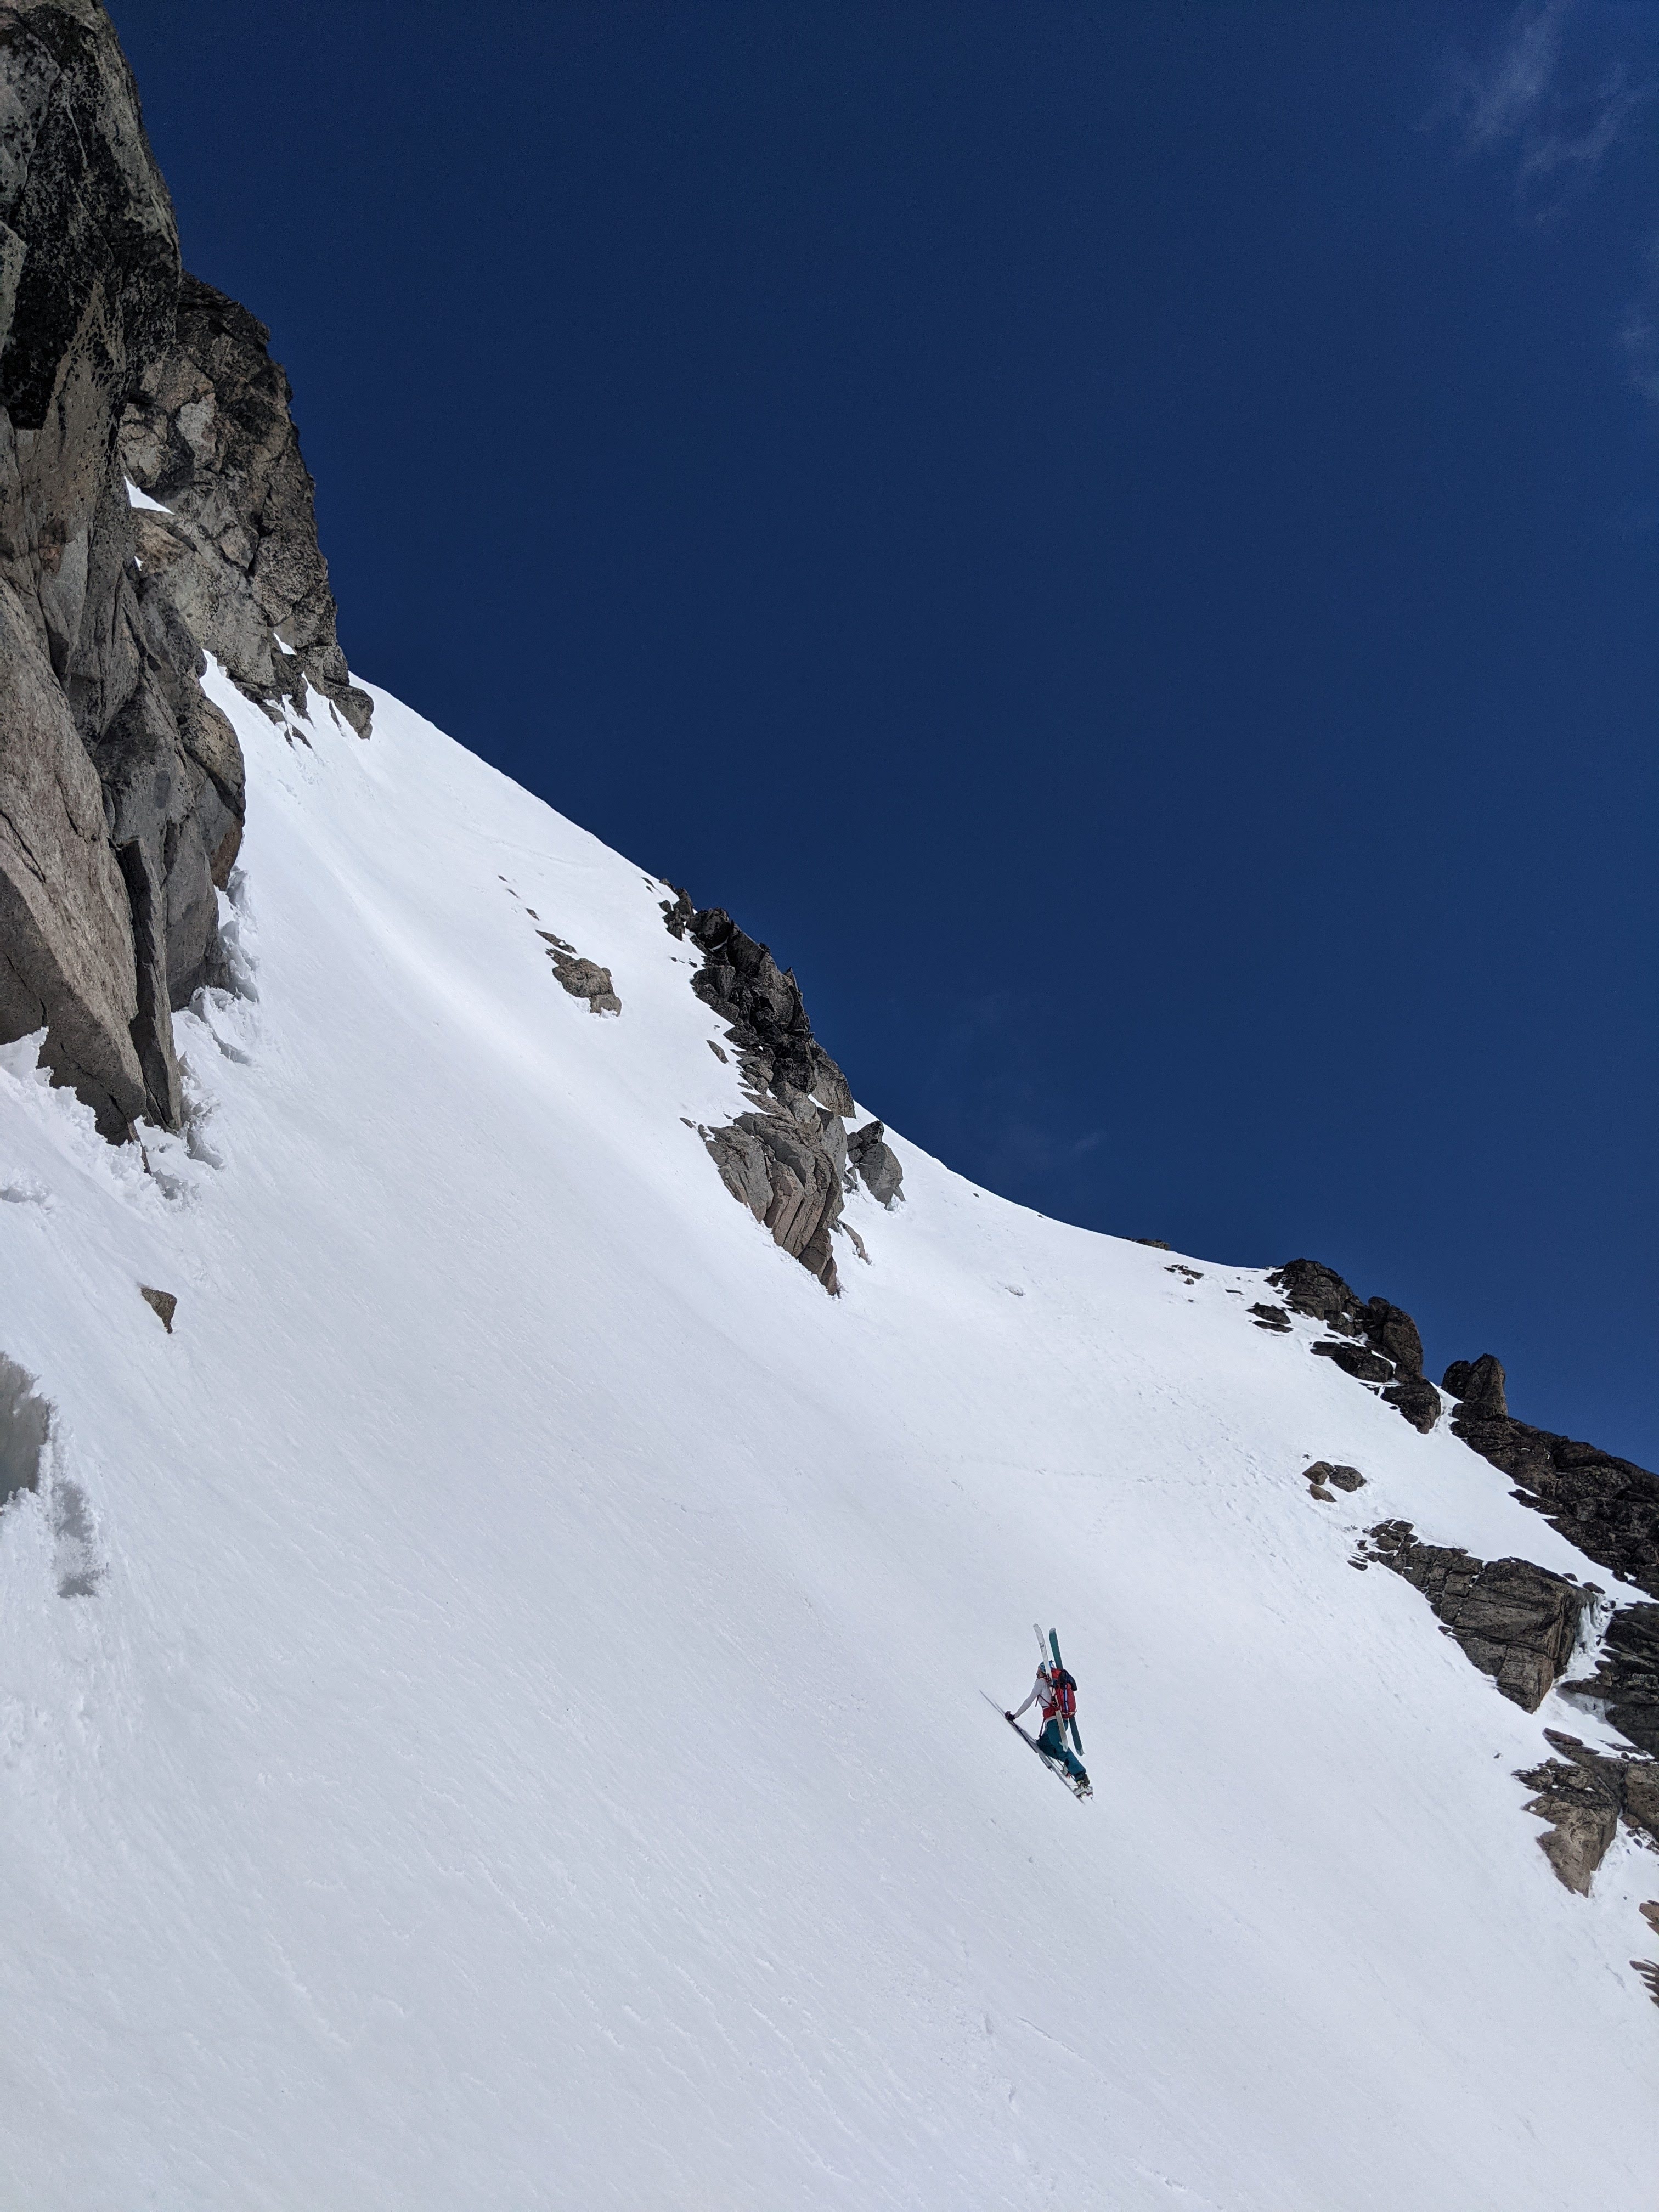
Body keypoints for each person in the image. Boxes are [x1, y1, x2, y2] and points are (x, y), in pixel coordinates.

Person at [1006, 1661, 1091, 1793]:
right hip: (1062, 1721)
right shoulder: (1056, 1684)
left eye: (1038, 1671)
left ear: (1042, 1670)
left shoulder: (1041, 1682)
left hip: (1054, 1723)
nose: (1036, 1674)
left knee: (1062, 1750)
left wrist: (1015, 1716)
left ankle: (1082, 1779)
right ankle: (1069, 1765)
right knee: (1044, 1745)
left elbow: (1030, 1700)